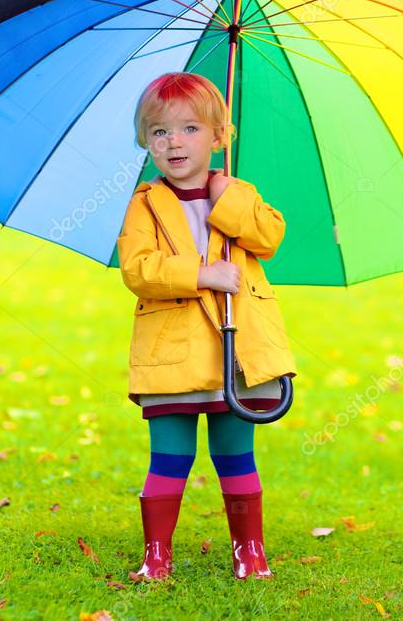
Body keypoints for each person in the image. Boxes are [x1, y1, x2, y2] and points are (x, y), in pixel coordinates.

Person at [116, 71, 297, 582]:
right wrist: (200, 274)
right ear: (146, 141)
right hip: (173, 352)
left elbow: (269, 236)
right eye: (159, 132)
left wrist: (228, 198)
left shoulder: (238, 194)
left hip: (235, 352)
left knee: (236, 455)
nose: (174, 142)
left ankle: (249, 552)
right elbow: (138, 270)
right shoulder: (145, 204)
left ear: (219, 136)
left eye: (190, 129)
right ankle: (157, 556)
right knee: (169, 457)